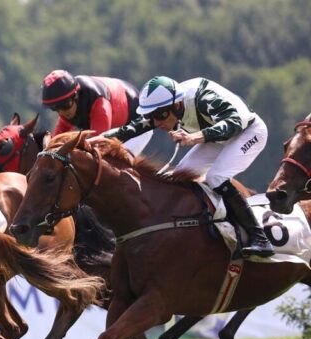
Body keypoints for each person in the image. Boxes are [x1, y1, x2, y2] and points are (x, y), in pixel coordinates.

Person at [102, 75, 274, 257]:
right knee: (178, 177)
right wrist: (100, 138)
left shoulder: (203, 98)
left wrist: (194, 137)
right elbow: (136, 127)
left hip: (248, 133)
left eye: (160, 116)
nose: (157, 122)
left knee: (216, 177)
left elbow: (233, 124)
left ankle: (260, 238)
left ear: (176, 105)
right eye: (151, 116)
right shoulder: (170, 104)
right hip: (215, 137)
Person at [41, 69, 152, 156]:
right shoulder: (68, 107)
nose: (62, 112)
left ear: (75, 96)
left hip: (137, 123)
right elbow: (54, 144)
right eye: (55, 108)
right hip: (115, 126)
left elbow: (98, 144)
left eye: (64, 105)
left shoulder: (99, 103)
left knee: (113, 165)